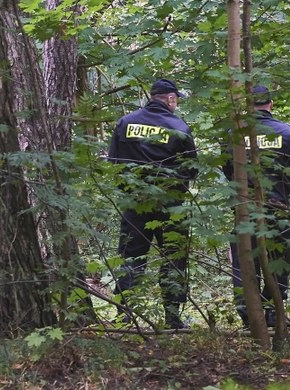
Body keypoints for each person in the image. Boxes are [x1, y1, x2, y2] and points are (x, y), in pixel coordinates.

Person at [107, 78, 198, 329]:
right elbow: (191, 168)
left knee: (130, 257)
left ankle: (124, 314)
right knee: (174, 258)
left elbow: (114, 162)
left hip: (135, 202)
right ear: (169, 99)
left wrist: (131, 190)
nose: (176, 103)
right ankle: (173, 317)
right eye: (176, 99)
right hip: (171, 205)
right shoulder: (178, 126)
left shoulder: (125, 123)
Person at [222, 86, 290, 327]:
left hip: (245, 208)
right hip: (280, 208)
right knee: (279, 261)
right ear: (271, 104)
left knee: (244, 262)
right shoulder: (286, 132)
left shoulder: (235, 133)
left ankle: (249, 312)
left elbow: (227, 169)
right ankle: (273, 311)